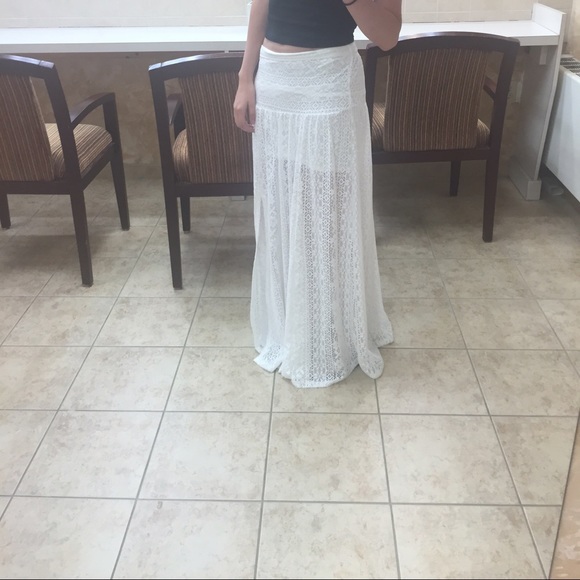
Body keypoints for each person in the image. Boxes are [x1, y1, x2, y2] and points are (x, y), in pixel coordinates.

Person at [234, 0, 402, 388]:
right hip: (274, 81)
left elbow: (388, 37)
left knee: (327, 221)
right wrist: (245, 76)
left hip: (330, 79)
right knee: (281, 214)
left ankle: (328, 336)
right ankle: (288, 327)